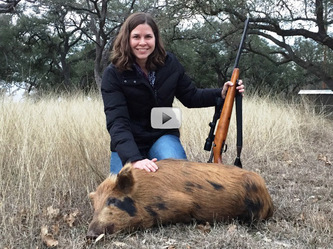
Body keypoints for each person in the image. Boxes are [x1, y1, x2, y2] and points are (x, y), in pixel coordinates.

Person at [101, 12, 245, 174]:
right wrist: (134, 159)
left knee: (179, 176)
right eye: (136, 37)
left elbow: (191, 97)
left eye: (148, 37)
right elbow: (117, 122)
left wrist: (222, 93)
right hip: (129, 142)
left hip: (162, 135)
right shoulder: (113, 74)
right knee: (121, 194)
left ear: (155, 38)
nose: (142, 43)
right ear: (127, 39)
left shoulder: (169, 63)